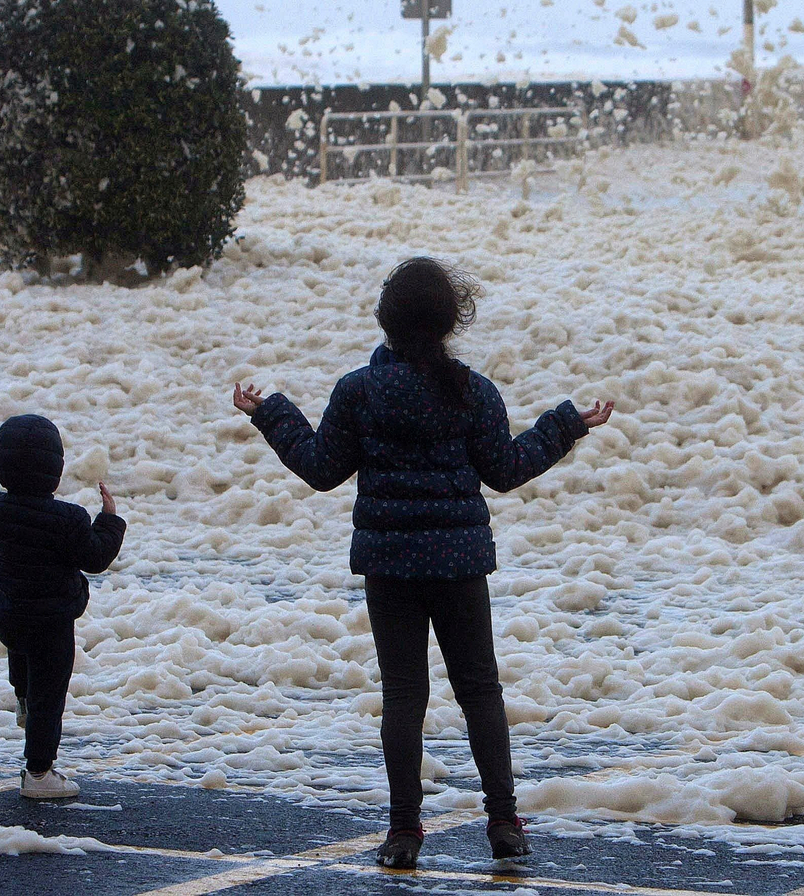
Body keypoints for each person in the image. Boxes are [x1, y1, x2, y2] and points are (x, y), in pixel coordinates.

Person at [233, 257, 614, 868]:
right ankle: (504, 822)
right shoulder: (472, 390)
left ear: (385, 319)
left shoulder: (359, 390)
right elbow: (507, 469)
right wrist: (567, 424)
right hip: (460, 566)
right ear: (448, 322)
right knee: (480, 692)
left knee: (405, 698)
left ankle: (404, 832)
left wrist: (270, 413)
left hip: (392, 569)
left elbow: (321, 468)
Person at [0, 414, 126, 800]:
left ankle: (23, 697)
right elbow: (94, 558)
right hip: (51, 621)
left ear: (3, 467)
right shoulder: (68, 519)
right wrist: (110, 521)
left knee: (22, 657)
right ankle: (39, 773)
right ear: (56, 469)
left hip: (7, 614)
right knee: (51, 694)